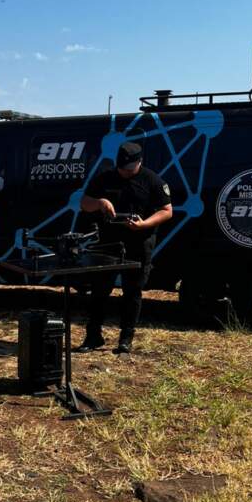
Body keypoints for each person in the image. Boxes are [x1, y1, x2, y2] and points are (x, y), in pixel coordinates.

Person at [77, 141, 172, 354]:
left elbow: (167, 211)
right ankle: (93, 336)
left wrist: (145, 224)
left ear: (140, 162)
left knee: (132, 292)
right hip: (108, 244)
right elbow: (84, 203)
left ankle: (126, 338)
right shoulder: (105, 178)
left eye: (129, 169)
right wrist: (100, 203)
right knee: (99, 291)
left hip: (139, 243)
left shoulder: (152, 180)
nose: (125, 173)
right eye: (121, 168)